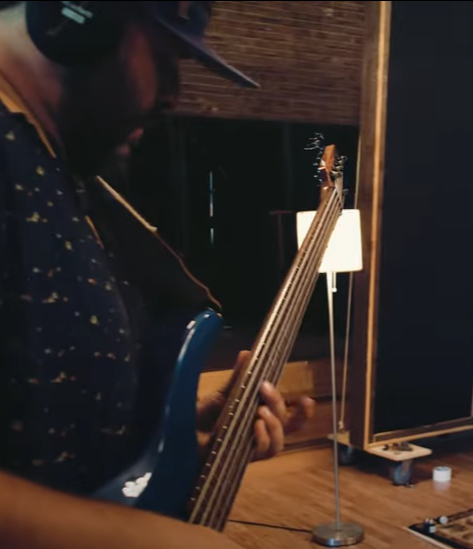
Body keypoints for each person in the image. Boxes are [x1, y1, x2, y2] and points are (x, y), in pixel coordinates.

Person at [1, 2, 313, 548]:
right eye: (166, 59)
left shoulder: (56, 168)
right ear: (80, 17)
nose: (173, 96)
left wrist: (179, 429)